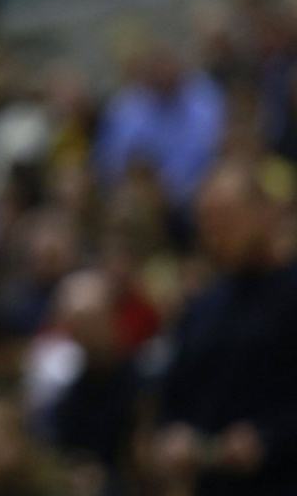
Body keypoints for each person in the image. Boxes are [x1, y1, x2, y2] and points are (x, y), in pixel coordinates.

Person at [149, 158, 297, 496]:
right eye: (207, 221)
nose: (215, 232)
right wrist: (174, 437)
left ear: (266, 213)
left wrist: (269, 438)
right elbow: (172, 398)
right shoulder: (202, 307)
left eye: (227, 217)